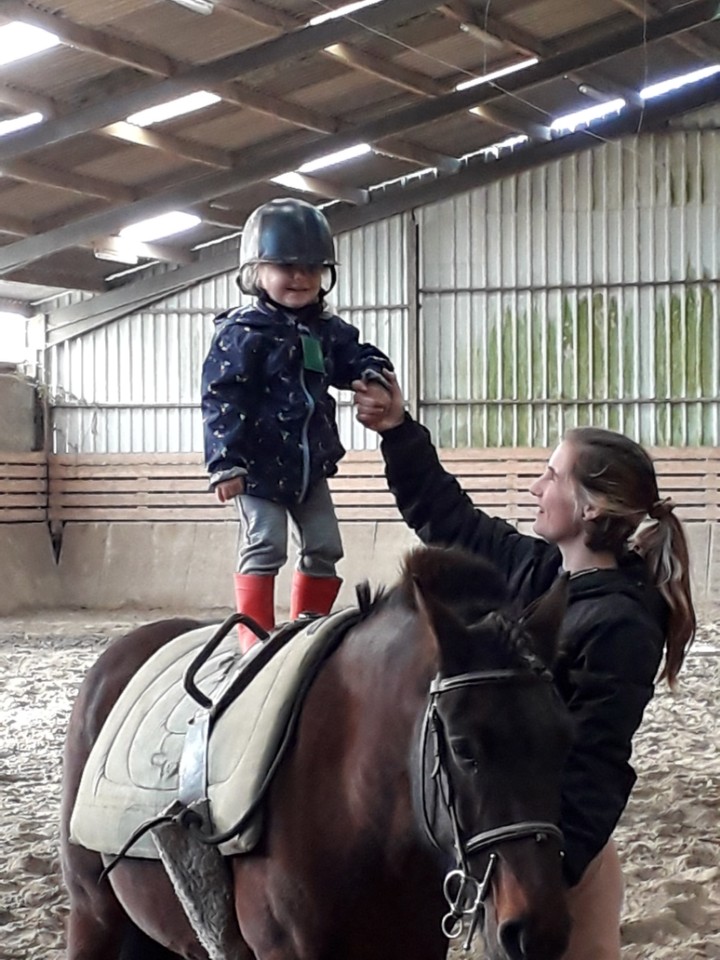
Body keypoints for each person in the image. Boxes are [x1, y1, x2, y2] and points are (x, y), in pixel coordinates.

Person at [352, 371, 695, 960]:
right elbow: (451, 519)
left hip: (557, 858)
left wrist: (543, 876)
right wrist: (397, 431)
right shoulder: (546, 573)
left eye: (552, 475)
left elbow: (598, 764)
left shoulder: (620, 623)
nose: (538, 486)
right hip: (513, 846)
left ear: (589, 507)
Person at [201, 197, 392, 651]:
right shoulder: (241, 333)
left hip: (309, 468)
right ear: (256, 271)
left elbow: (354, 355)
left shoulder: (325, 329)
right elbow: (222, 398)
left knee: (325, 546)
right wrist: (226, 461)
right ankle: (254, 641)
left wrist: (372, 373)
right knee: (266, 543)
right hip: (257, 470)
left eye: (312, 268)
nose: (301, 277)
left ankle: (307, 633)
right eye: (286, 266)